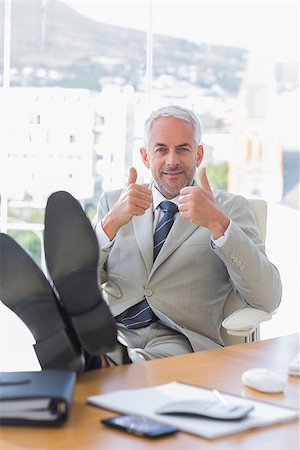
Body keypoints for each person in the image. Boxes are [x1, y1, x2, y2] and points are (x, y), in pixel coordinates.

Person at [93, 104, 282, 363]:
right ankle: (106, 358)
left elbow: (268, 298)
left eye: (183, 149)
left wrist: (219, 224)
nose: (172, 160)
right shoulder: (113, 203)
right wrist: (110, 224)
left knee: (114, 365)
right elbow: (78, 282)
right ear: (146, 156)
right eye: (161, 149)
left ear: (199, 154)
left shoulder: (230, 208)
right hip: (114, 332)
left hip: (181, 343)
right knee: (79, 345)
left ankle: (109, 362)